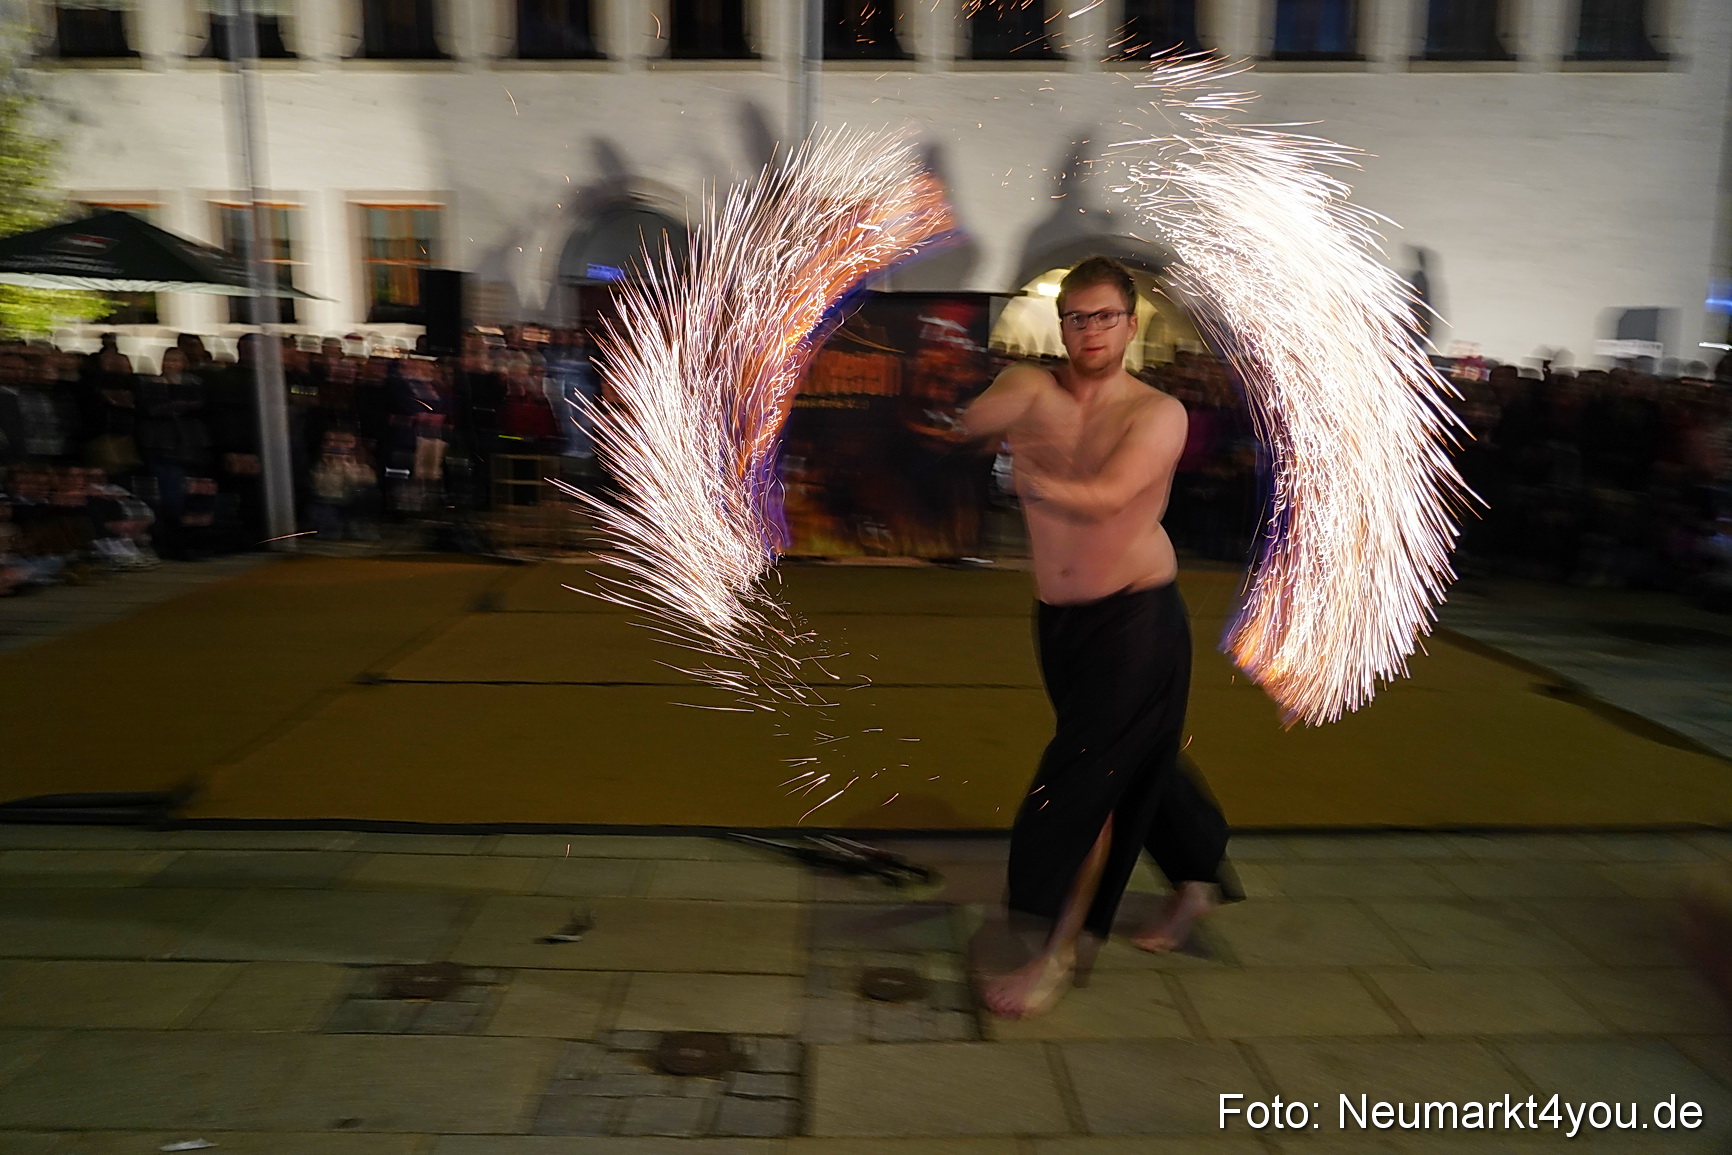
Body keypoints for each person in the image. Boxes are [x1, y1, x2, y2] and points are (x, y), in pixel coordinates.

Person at [958, 256, 1240, 1019]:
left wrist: (1031, 470)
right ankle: (1198, 878)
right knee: (1137, 759)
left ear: (1131, 323)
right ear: (1062, 324)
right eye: (1076, 317)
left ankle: (1050, 953)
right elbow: (967, 422)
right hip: (1061, 622)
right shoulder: (1031, 389)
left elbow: (1111, 497)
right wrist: (956, 428)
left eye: (1104, 316)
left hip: (1138, 622)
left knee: (1078, 788)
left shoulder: (1158, 412)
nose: (1089, 330)